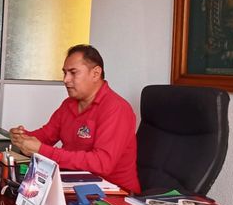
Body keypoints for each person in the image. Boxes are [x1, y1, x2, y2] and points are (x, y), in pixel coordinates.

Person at [10, 44, 140, 193]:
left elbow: (101, 163)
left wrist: (42, 150)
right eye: (65, 73)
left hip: (115, 194)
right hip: (75, 184)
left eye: (73, 73)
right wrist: (23, 137)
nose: (66, 80)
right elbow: (46, 135)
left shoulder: (117, 108)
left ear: (95, 73)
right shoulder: (69, 104)